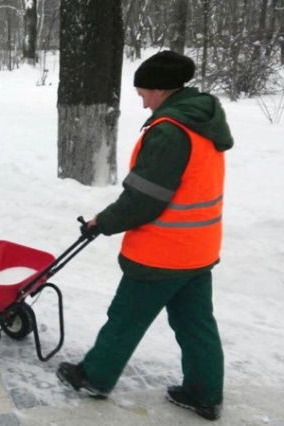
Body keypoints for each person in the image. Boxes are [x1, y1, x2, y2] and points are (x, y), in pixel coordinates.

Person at [56, 50, 234, 421]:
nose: (141, 101)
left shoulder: (170, 131)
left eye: (142, 93)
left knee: (126, 318)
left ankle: (94, 377)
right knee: (196, 323)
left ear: (159, 89)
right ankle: (205, 393)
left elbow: (143, 201)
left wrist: (100, 222)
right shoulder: (202, 123)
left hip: (162, 252)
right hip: (198, 250)